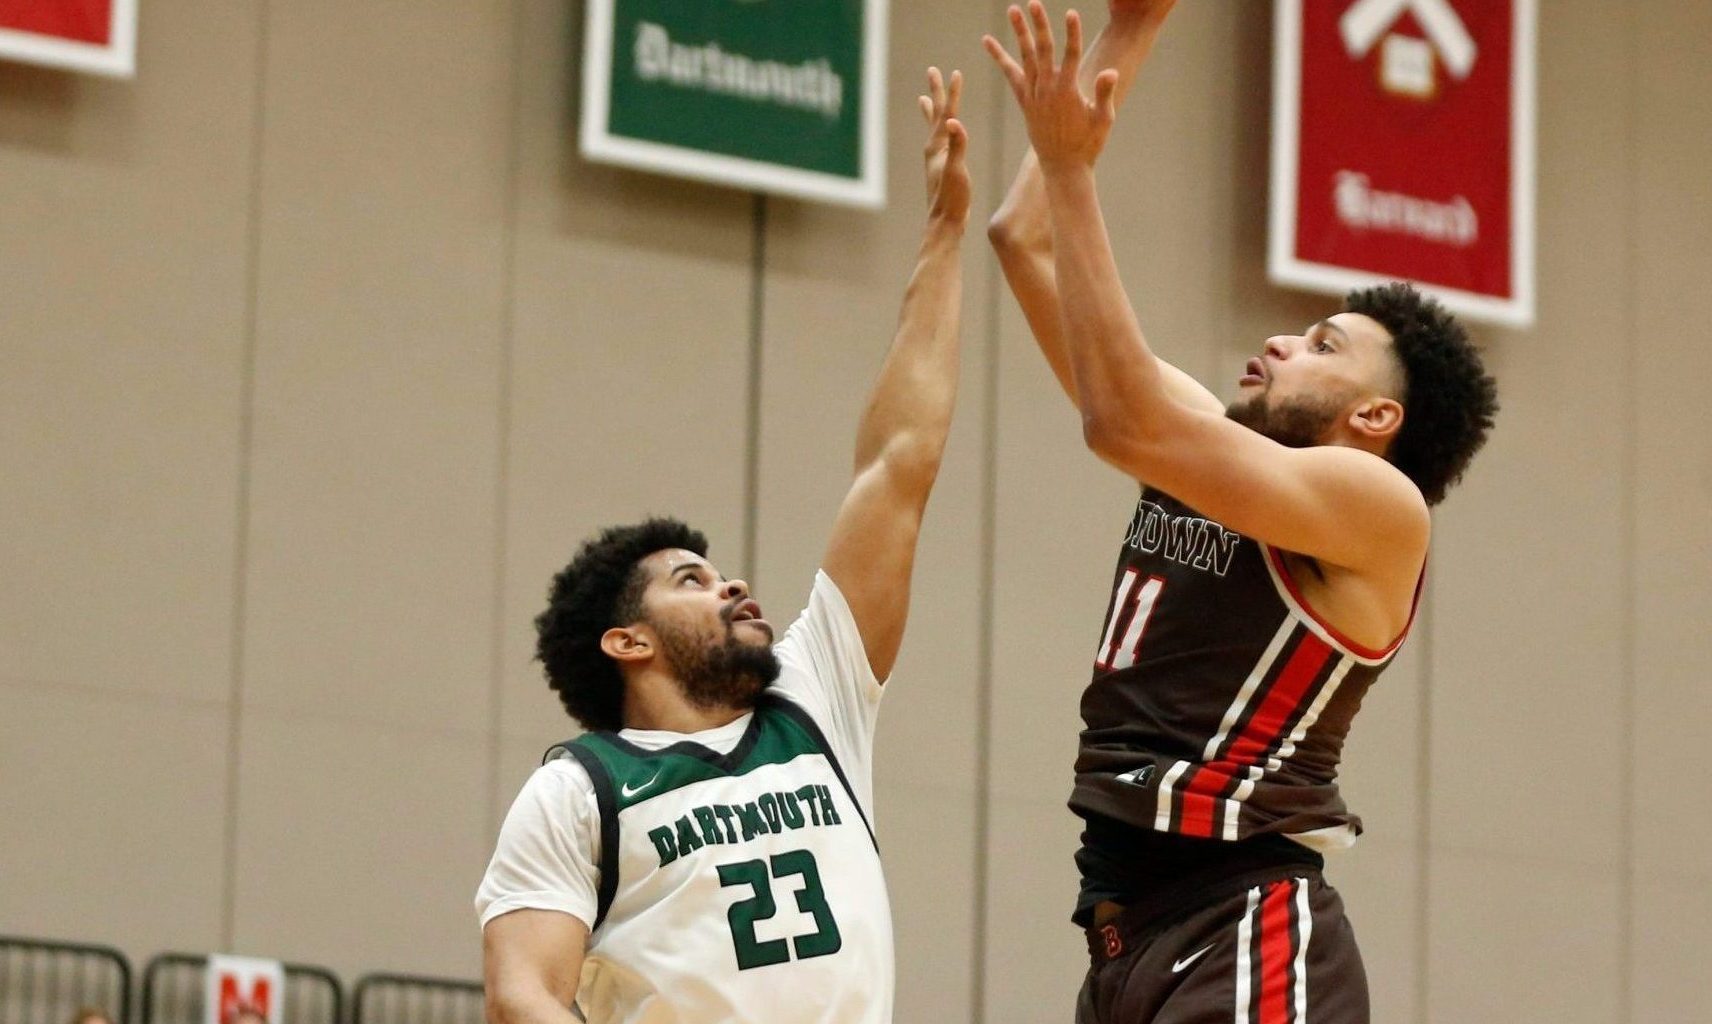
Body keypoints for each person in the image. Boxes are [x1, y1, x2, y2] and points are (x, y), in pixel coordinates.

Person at [984, 3, 1497, 1022]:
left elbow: (1118, 418)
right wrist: (1131, 29)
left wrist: (1077, 171)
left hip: (1244, 917)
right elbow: (1022, 243)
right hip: (1124, 928)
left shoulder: (1375, 505)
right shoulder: (1218, 455)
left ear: (1374, 416)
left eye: (1321, 345)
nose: (1278, 341)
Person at [475, 67, 972, 1024]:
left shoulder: (814, 700)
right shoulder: (580, 790)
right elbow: (521, 994)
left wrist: (945, 236)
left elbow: (901, 461)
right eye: (692, 581)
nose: (735, 584)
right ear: (629, 640)